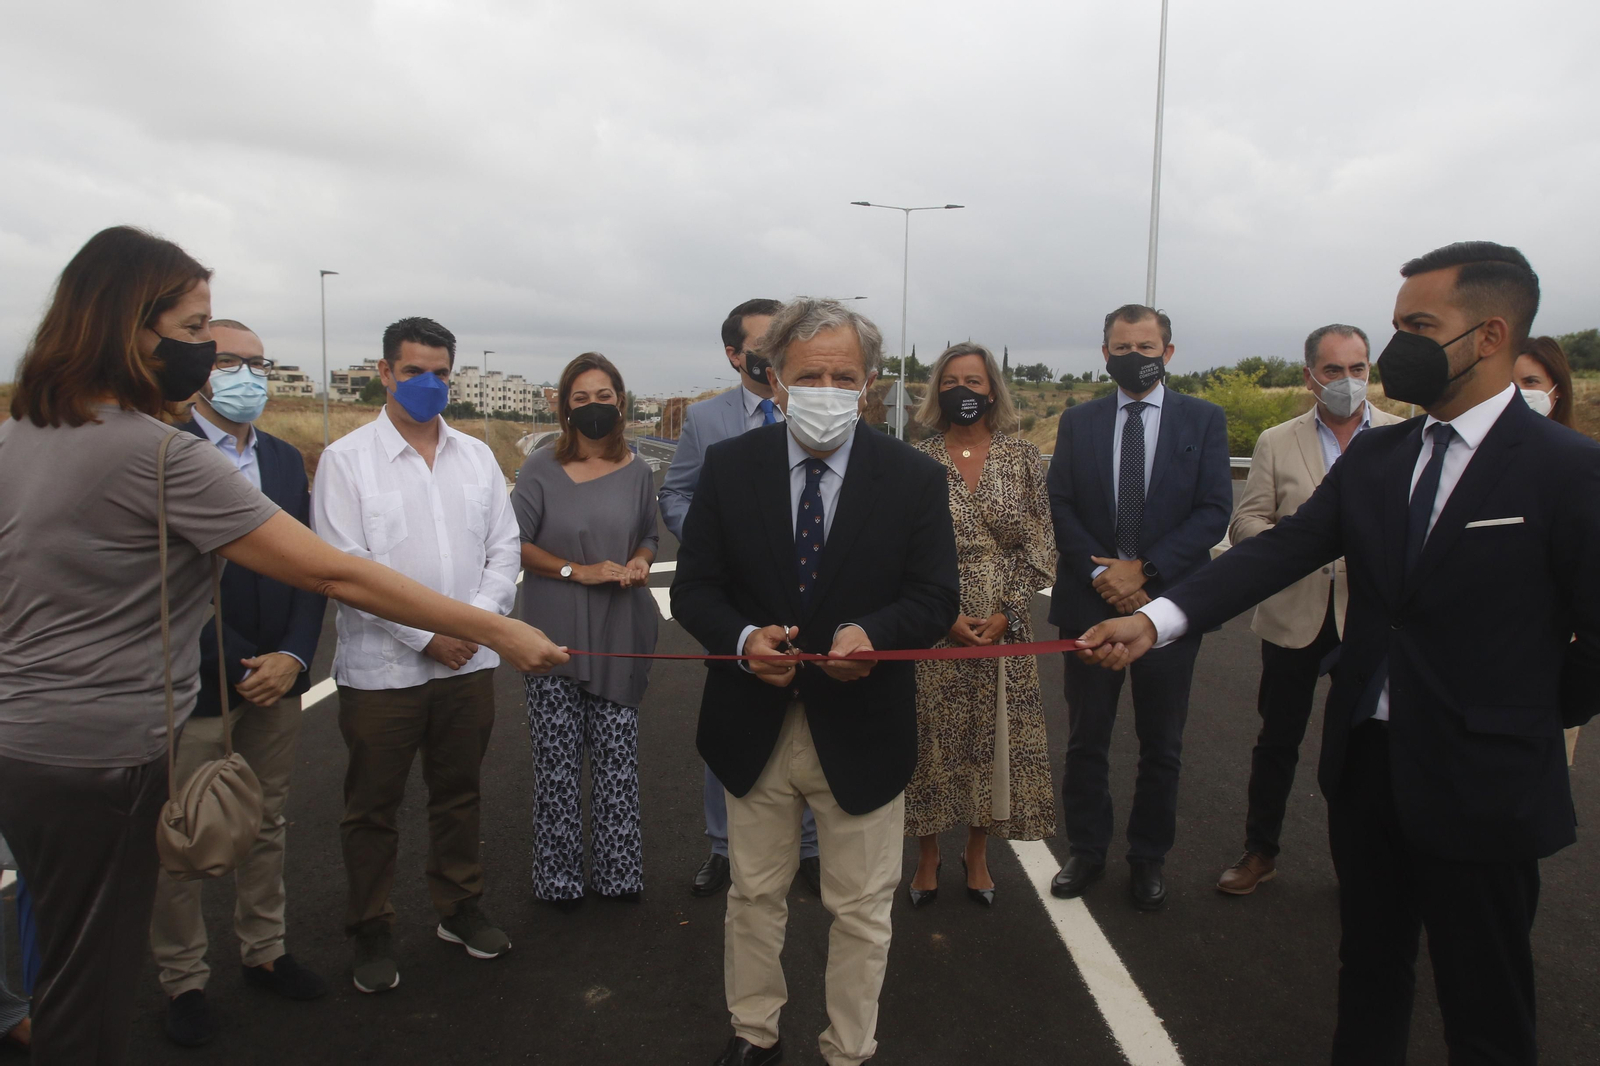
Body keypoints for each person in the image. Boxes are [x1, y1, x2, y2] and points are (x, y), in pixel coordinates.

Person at [0, 226, 566, 1065]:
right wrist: (499, 628)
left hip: (25, 747)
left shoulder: (22, 436)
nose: (213, 356)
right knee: (91, 995)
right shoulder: (162, 459)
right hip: (105, 758)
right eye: (196, 331)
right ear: (130, 327)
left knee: (56, 951)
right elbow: (336, 575)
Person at [1078, 242, 1600, 1065]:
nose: (1399, 350)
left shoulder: (1570, 471)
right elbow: (1274, 553)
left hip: (1487, 781)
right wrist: (1158, 620)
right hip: (1369, 768)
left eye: (1421, 326)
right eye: (1397, 327)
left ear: (1492, 332)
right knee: (1368, 980)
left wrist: (1528, 716)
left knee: (1486, 1005)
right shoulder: (1381, 460)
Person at [673, 297, 959, 1066]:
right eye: (810, 375)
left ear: (867, 385)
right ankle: (753, 1030)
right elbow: (695, 588)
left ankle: (849, 1046)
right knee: (753, 895)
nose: (827, 389)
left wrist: (877, 634)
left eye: (844, 375)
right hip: (751, 723)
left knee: (863, 910)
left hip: (864, 728)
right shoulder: (732, 469)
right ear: (774, 380)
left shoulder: (912, 478)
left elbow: (935, 598)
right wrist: (740, 639)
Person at [312, 316, 527, 993]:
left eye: (440, 372)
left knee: (458, 794)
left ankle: (458, 906)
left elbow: (505, 548)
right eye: (413, 372)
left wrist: (479, 624)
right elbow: (345, 568)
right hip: (384, 674)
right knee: (372, 807)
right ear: (384, 373)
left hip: (469, 668)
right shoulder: (347, 462)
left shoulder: (476, 456)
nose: (429, 384)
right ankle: (370, 927)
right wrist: (429, 635)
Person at [148, 317, 330, 1045]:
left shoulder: (285, 461)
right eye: (229, 360)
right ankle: (183, 979)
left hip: (275, 680)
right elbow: (160, 581)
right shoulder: (162, 453)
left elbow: (312, 566)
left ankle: (265, 949)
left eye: (257, 362)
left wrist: (293, 653)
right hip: (193, 682)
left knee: (266, 821)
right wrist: (234, 659)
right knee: (183, 835)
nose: (245, 375)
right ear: (199, 369)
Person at [1045, 304, 1232, 910]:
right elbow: (1062, 505)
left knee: (1163, 744)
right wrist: (1104, 576)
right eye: (1122, 346)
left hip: (1168, 605)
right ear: (1105, 354)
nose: (1135, 356)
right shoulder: (1079, 422)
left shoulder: (1203, 420)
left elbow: (1212, 511)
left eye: (1147, 346)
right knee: (1086, 739)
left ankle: (1149, 857)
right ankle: (1087, 849)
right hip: (1091, 604)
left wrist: (1143, 572)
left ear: (1168, 353)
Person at [1216, 325, 1404, 896]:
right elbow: (1246, 521)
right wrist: (1300, 541)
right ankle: (1260, 852)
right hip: (1295, 614)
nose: (1347, 382)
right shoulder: (1278, 440)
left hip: (1369, 620)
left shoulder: (1404, 438)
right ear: (1309, 376)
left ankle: (1365, 862)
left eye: (1358, 369)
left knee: (1369, 748)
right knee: (1278, 741)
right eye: (1333, 370)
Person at [659, 299, 822, 899]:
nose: (776, 353)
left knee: (810, 716)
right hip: (735, 596)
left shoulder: (812, 407)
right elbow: (675, 494)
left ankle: (807, 848)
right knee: (731, 723)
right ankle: (723, 846)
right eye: (763, 343)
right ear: (735, 354)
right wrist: (709, 539)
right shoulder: (707, 421)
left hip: (807, 587)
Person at [904, 343, 1057, 909]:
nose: (963, 391)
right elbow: (904, 548)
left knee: (988, 741)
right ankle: (925, 855)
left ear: (992, 389)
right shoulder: (917, 460)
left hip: (1003, 622)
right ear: (936, 392)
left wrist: (1004, 609)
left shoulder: (1022, 458)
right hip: (933, 617)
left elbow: (1042, 544)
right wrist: (942, 614)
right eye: (951, 382)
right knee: (929, 740)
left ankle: (976, 851)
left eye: (973, 381)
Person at [514, 353, 660, 907]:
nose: (594, 407)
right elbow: (516, 543)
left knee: (618, 762)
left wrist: (642, 561)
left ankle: (619, 872)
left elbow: (648, 534)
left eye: (603, 397)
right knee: (556, 767)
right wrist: (578, 570)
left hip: (620, 631)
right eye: (581, 399)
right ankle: (559, 881)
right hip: (554, 634)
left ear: (620, 402)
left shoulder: (638, 469)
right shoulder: (540, 470)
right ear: (563, 406)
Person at [1515, 337, 1582, 766]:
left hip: (1550, 666)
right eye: (1509, 382)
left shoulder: (1582, 466)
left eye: (1531, 381)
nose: (1520, 392)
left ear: (1556, 390)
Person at [1513, 336, 1574, 427]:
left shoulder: (1574, 441)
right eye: (1509, 383)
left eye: (1530, 381)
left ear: (1559, 389)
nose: (1517, 391)